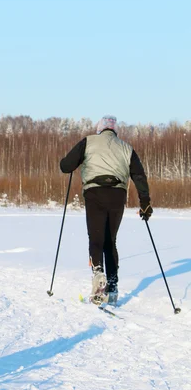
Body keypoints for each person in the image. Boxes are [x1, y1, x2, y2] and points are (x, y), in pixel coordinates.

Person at [60, 115, 152, 305]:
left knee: (96, 239)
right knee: (110, 241)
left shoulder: (89, 141)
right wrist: (145, 203)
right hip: (117, 195)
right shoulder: (127, 148)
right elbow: (140, 176)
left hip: (95, 193)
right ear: (114, 131)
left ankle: (98, 274)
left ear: (99, 129)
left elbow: (66, 166)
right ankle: (112, 287)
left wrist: (68, 162)